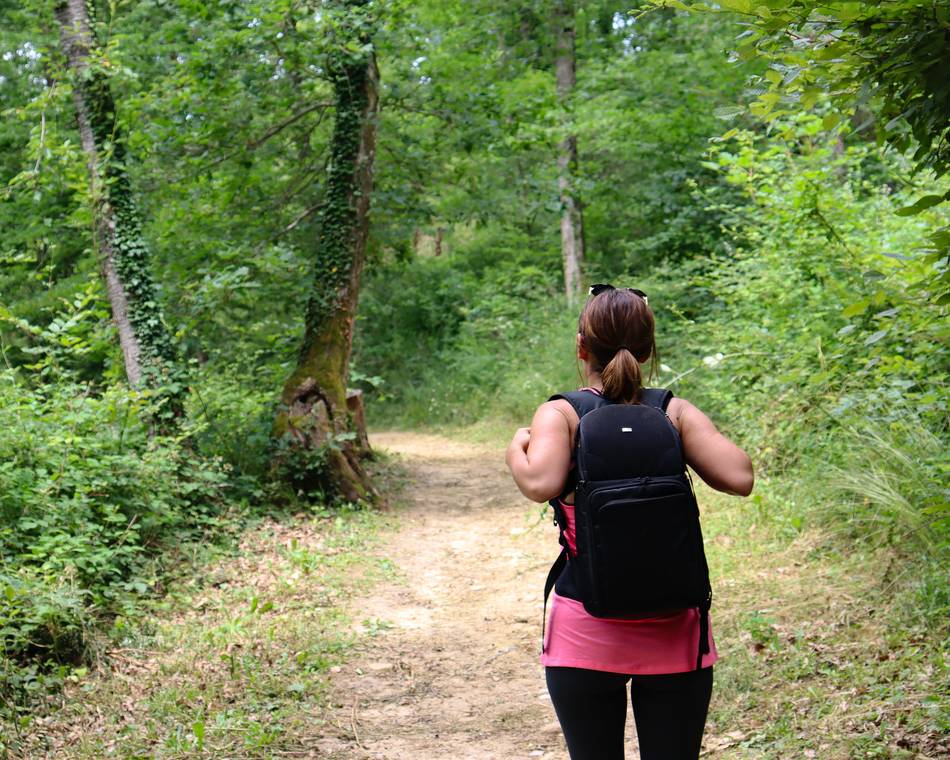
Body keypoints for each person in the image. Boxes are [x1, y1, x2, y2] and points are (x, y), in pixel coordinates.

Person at [506, 284, 754, 760]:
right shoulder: (671, 411)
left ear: (582, 347)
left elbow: (539, 482)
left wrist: (514, 448)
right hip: (674, 625)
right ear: (648, 347)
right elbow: (740, 476)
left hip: (583, 626)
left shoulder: (562, 413)